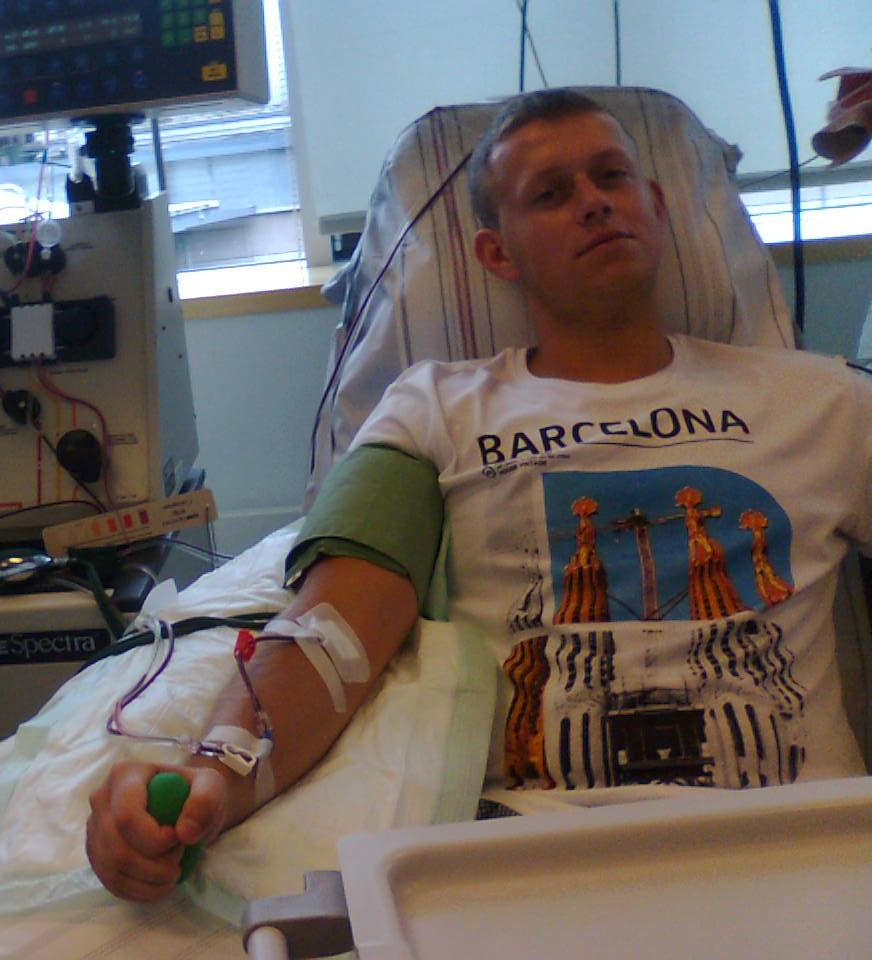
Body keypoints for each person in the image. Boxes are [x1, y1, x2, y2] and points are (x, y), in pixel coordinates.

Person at [86, 89, 872, 902]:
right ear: (497, 255)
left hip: (810, 854)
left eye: (611, 176)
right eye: (551, 193)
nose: (594, 202)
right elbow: (329, 631)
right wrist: (215, 773)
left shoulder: (825, 401)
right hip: (533, 866)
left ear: (657, 205)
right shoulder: (434, 408)